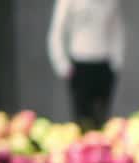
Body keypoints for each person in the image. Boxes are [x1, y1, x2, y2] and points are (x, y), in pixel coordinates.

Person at [47, 0, 124, 131]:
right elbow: (57, 32)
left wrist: (116, 62)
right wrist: (62, 65)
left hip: (104, 63)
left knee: (103, 118)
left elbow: (116, 30)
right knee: (82, 119)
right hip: (80, 64)